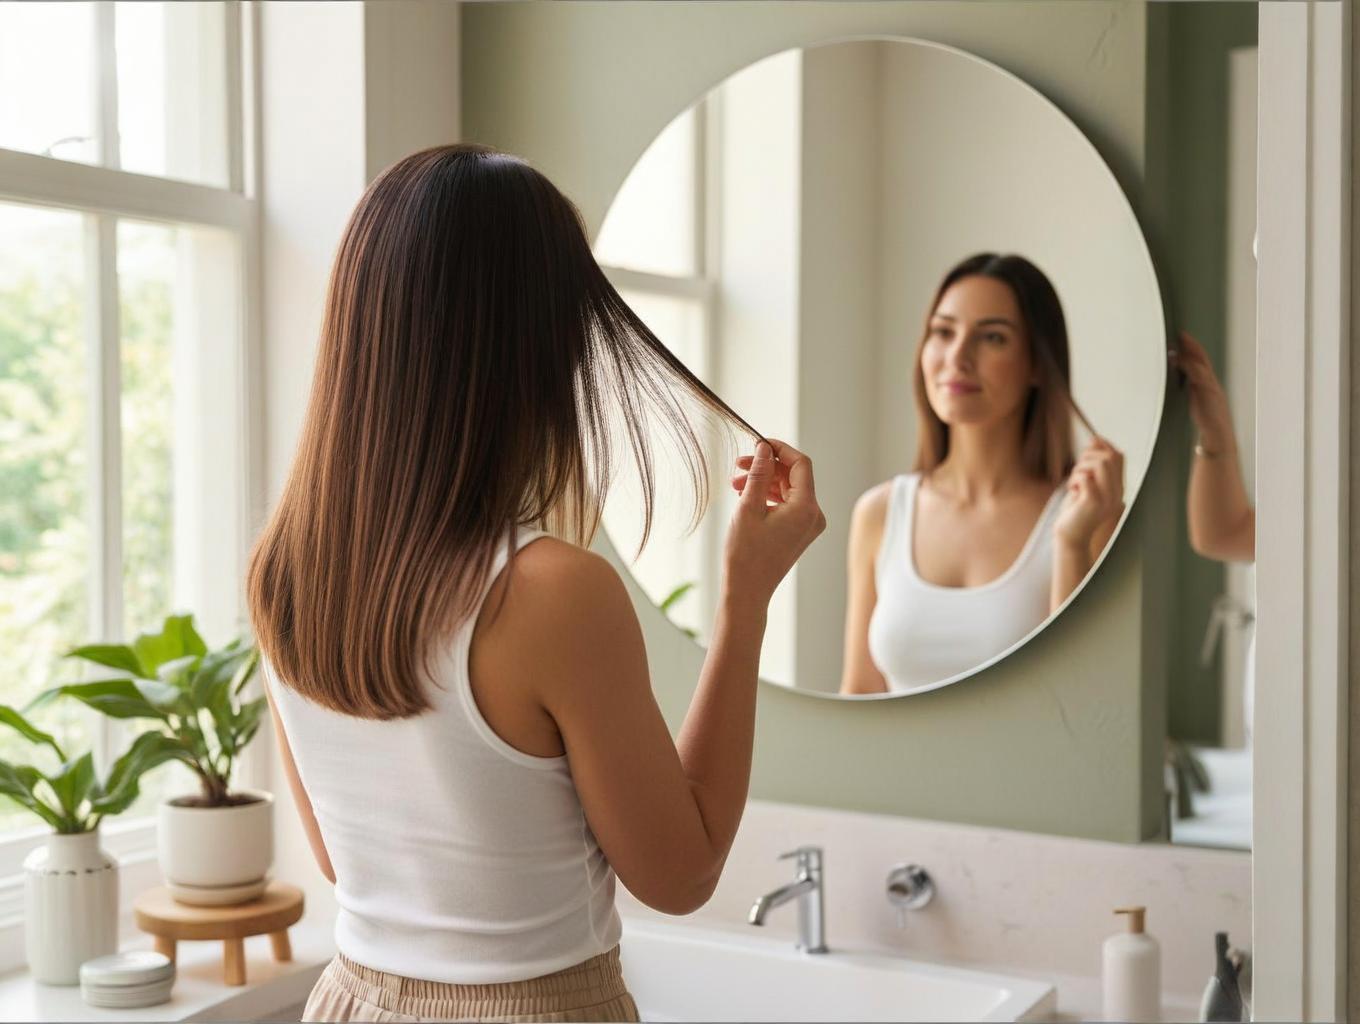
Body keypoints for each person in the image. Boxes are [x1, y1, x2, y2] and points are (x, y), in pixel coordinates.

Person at [247, 144, 824, 1023]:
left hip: (348, 1002)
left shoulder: (285, 569)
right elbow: (681, 874)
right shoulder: (554, 592)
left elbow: (340, 858)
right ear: (534, 345)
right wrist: (745, 602)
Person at [836, 254, 1125, 695]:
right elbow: (859, 696)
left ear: (1036, 365)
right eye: (943, 332)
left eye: (992, 337)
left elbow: (1085, 704)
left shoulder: (1088, 516)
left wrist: (1070, 544)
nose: (958, 357)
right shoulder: (879, 513)